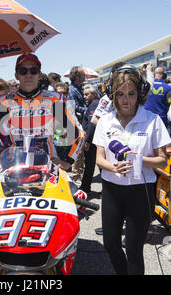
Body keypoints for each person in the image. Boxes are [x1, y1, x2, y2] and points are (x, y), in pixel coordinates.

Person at [93, 65, 170, 275]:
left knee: (134, 251)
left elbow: (162, 161)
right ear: (112, 95)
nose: (125, 100)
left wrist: (139, 160)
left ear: (140, 93)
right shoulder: (105, 121)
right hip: (111, 189)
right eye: (120, 94)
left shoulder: (153, 120)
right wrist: (113, 166)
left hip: (140, 191)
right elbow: (99, 159)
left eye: (131, 93)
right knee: (110, 243)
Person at [0, 53, 85, 171]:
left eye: (33, 70)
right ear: (17, 75)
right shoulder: (4, 102)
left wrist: (68, 161)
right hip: (14, 168)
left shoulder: (55, 99)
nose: (28, 75)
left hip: (49, 167)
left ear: (39, 74)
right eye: (23, 71)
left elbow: (78, 134)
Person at [67, 66, 86, 182]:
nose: (85, 76)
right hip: (76, 124)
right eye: (83, 74)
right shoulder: (72, 90)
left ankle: (78, 175)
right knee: (77, 152)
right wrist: (88, 110)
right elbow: (74, 108)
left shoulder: (78, 88)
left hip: (80, 122)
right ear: (77, 76)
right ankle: (76, 178)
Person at [79, 84, 99, 194]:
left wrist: (87, 141)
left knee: (89, 165)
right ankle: (85, 187)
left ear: (94, 94)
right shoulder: (94, 104)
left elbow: (92, 125)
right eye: (84, 95)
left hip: (92, 142)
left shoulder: (94, 105)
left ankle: (85, 188)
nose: (85, 97)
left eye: (87, 94)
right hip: (94, 141)